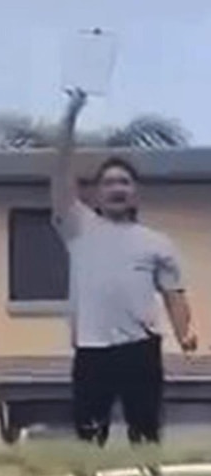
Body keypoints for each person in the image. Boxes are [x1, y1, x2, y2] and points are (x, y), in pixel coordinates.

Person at [51, 88, 198, 446]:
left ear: (136, 192)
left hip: (140, 350)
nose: (117, 188)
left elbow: (174, 294)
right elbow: (60, 174)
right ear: (97, 193)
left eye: (124, 182)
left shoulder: (156, 242)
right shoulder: (78, 226)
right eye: (109, 183)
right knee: (89, 437)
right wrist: (71, 115)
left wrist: (184, 333)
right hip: (91, 350)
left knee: (146, 435)